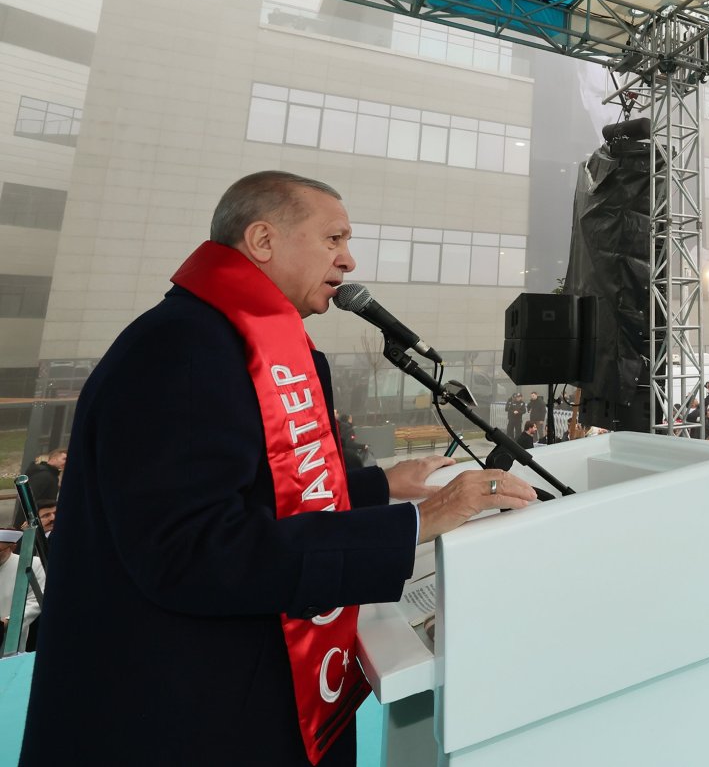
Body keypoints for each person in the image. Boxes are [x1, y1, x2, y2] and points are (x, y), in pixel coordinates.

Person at [20, 171, 537, 767]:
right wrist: (418, 522)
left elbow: (257, 488)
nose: (349, 260)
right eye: (334, 238)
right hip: (180, 719)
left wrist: (379, 487)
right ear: (263, 241)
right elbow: (192, 549)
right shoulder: (181, 350)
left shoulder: (235, 337)